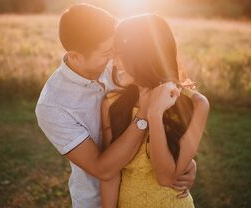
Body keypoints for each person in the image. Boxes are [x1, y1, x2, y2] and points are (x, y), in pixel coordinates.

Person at [35, 4, 197, 208]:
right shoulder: (53, 106)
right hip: (96, 200)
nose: (115, 59)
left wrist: (184, 160)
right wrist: (145, 116)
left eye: (117, 50)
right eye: (106, 53)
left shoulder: (121, 62)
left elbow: (164, 93)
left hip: (152, 189)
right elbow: (102, 169)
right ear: (75, 56)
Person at [100, 14, 210, 208]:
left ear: (142, 56)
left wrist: (155, 115)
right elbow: (110, 173)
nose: (114, 63)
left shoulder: (196, 104)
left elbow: (166, 177)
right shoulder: (112, 103)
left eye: (120, 54)